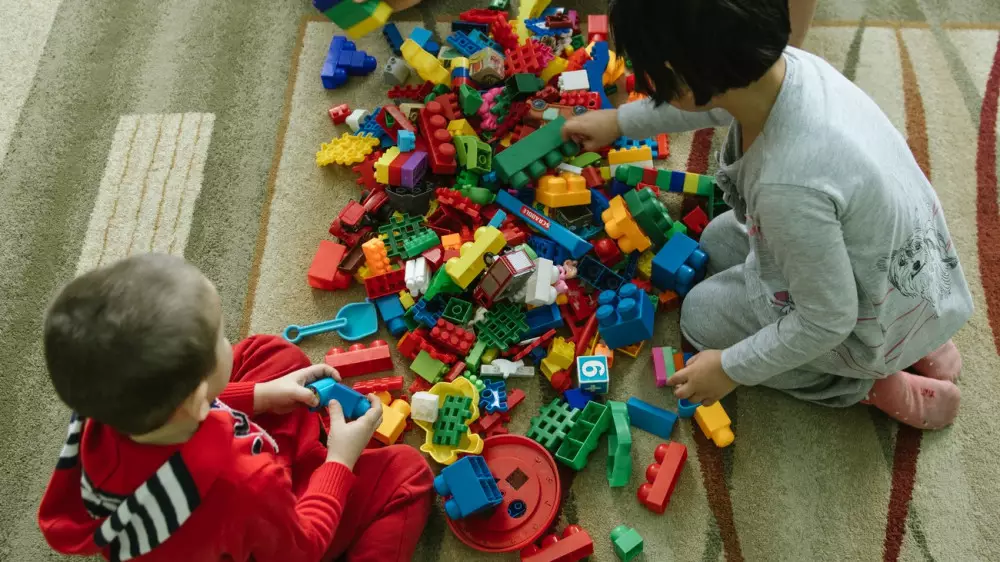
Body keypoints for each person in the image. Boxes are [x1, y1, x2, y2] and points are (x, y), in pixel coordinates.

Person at [562, 0, 973, 429]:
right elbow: (710, 99)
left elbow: (828, 322)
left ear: (680, 79)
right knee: (716, 240)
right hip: (907, 278)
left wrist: (729, 369)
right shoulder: (785, 68)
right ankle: (923, 337)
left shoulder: (787, 186)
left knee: (700, 318)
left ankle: (869, 383)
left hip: (859, 323)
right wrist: (619, 122)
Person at [37, 253, 434, 561]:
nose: (229, 343)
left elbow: (192, 408)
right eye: (220, 339)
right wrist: (338, 463)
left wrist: (261, 394)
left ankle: (296, 434)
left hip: (187, 492)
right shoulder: (248, 482)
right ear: (197, 401)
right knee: (406, 473)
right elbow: (303, 547)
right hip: (266, 533)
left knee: (269, 352)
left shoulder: (102, 401)